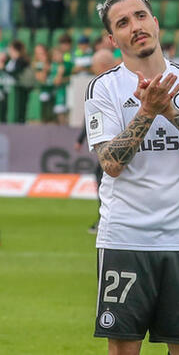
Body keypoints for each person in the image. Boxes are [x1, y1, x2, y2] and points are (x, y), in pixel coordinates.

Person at [86, 0, 179, 355]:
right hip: (125, 240)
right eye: (122, 23)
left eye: (140, 16)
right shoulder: (103, 89)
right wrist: (147, 111)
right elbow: (111, 164)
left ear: (156, 23)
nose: (135, 26)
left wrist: (172, 113)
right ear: (112, 38)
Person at [76, 48, 117, 234]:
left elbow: (93, 117)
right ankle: (105, 219)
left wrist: (81, 138)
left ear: (101, 66)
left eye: (94, 66)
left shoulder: (103, 85)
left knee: (104, 179)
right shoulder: (119, 81)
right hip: (122, 143)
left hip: (114, 144)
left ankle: (106, 220)